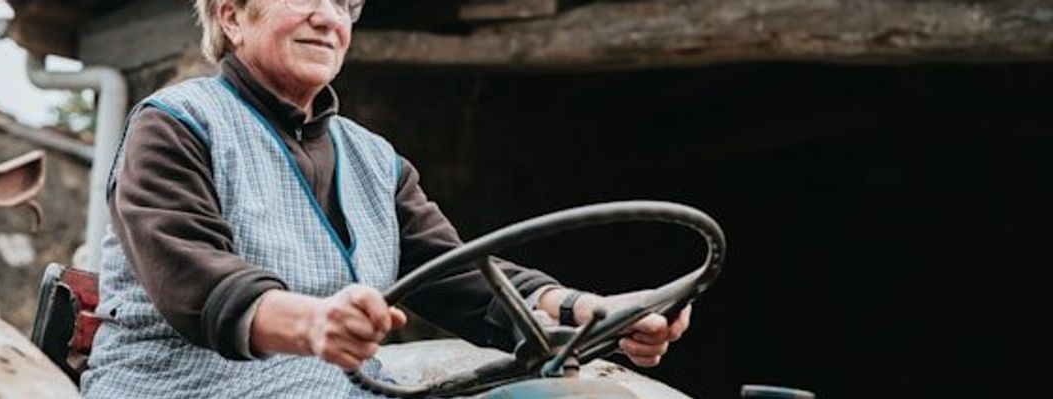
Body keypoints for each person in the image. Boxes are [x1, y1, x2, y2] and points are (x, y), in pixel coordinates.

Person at [80, 0, 692, 397]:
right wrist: (314, 322)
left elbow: (467, 283)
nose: (329, 18)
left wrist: (591, 311)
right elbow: (199, 283)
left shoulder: (375, 160)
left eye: (344, 3)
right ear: (233, 15)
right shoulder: (176, 124)